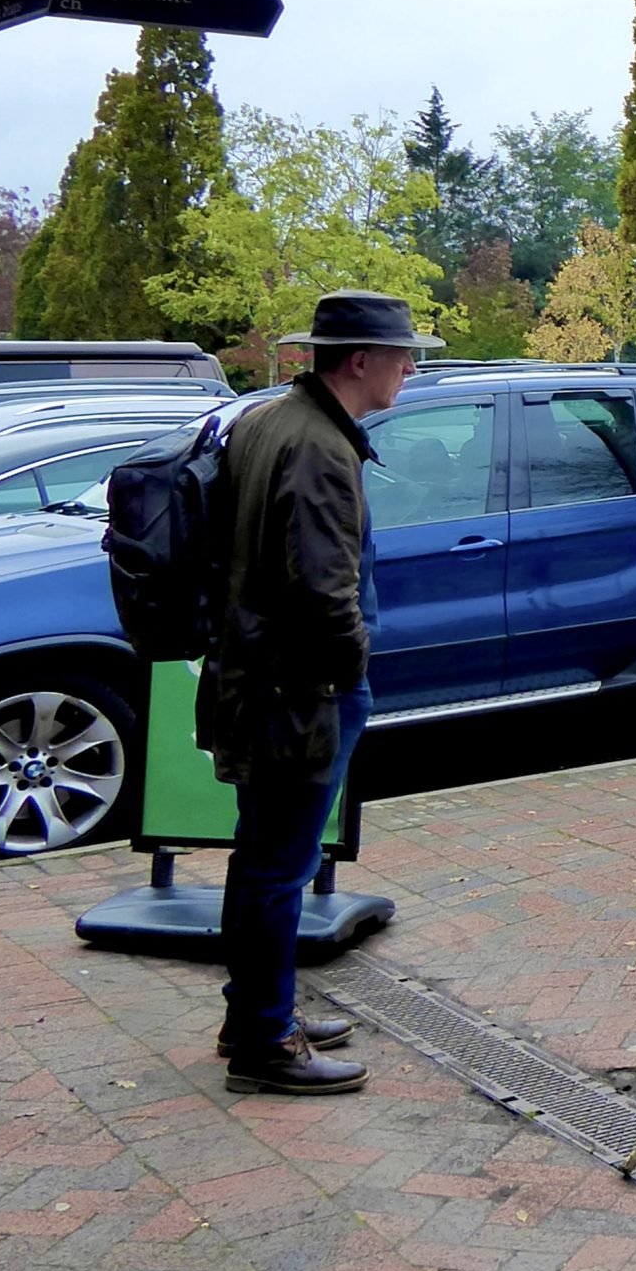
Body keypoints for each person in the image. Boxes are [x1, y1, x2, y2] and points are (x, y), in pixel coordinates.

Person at [200, 290, 440, 1094]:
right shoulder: (317, 448)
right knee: (278, 867)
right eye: (403, 354)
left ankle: (255, 1014)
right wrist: (351, 672)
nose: (412, 366)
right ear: (359, 360)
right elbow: (324, 590)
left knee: (263, 858)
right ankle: (266, 1044)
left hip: (262, 676)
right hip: (299, 689)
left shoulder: (273, 420)